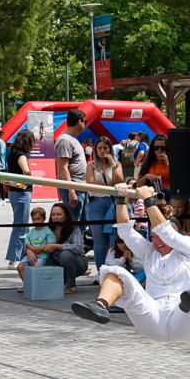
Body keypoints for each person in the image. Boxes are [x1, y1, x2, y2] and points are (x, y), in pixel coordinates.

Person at [72, 184, 190, 340]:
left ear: (176, 233)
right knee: (114, 272)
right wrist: (121, 198)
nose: (157, 241)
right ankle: (100, 305)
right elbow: (125, 231)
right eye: (153, 237)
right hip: (154, 317)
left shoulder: (188, 247)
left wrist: (148, 199)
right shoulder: (149, 252)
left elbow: (166, 233)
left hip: (187, 315)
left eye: (160, 237)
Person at [85, 137, 124, 272]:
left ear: (110, 149)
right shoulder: (91, 165)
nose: (103, 151)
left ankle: (114, 270)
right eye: (100, 148)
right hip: (96, 202)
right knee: (99, 241)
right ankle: (101, 271)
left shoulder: (117, 164)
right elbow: (90, 182)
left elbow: (119, 180)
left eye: (106, 148)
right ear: (95, 150)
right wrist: (109, 186)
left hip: (113, 203)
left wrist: (112, 164)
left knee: (113, 239)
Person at [5, 130, 35, 270]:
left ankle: (22, 255)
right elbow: (26, 171)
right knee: (20, 227)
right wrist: (28, 179)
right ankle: (14, 259)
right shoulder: (21, 155)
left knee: (22, 226)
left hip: (14, 192)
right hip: (22, 193)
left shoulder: (12, 154)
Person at [44, 202, 87, 294]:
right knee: (33, 255)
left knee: (66, 254)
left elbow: (77, 248)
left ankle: (71, 286)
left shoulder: (74, 229)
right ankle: (31, 283)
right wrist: (29, 251)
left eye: (59, 214)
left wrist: (56, 246)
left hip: (77, 263)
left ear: (66, 216)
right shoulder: (47, 229)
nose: (55, 217)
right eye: (53, 214)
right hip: (54, 261)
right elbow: (33, 242)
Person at [55, 109, 88, 221]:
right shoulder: (65, 141)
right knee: (73, 224)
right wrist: (71, 191)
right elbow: (63, 167)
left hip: (80, 187)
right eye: (85, 121)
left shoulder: (72, 139)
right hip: (74, 188)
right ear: (79, 122)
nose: (85, 124)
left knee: (82, 224)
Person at [15, 207, 57, 287]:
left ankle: (36, 286)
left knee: (36, 268)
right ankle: (27, 285)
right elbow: (27, 243)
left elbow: (50, 244)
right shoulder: (31, 231)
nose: (36, 221)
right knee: (20, 267)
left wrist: (37, 249)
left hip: (42, 256)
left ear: (44, 219)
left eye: (38, 219)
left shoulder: (47, 231)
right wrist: (33, 249)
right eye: (34, 219)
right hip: (30, 255)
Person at [135, 135, 171, 200]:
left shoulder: (172, 163)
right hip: (152, 195)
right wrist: (145, 177)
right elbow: (138, 185)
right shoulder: (148, 163)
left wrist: (167, 164)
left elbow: (177, 182)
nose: (159, 151)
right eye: (156, 148)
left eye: (163, 148)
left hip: (169, 195)